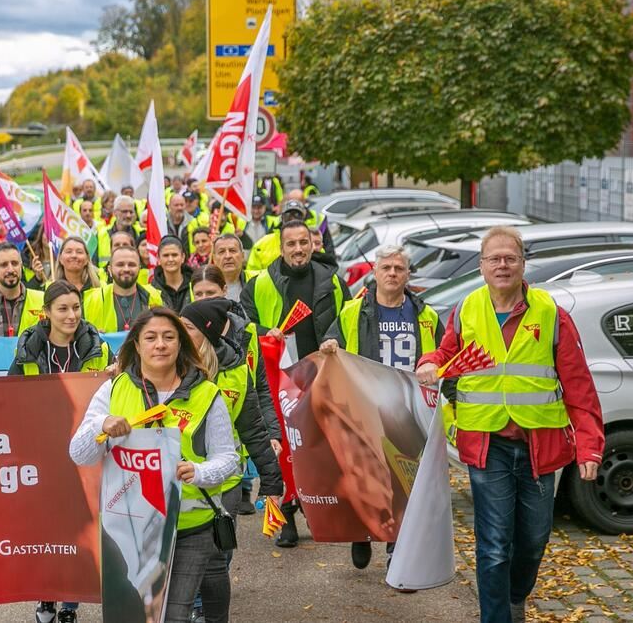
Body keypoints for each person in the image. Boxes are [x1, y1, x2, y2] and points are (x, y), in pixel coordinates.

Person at [415, 226, 604, 623]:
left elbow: (579, 386)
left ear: (522, 264)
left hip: (540, 446)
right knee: (494, 545)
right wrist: (429, 361)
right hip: (487, 445)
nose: (502, 265)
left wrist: (589, 445)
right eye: (494, 258)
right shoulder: (467, 309)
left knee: (533, 541)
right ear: (482, 266)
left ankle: (516, 595)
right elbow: (446, 352)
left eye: (510, 258)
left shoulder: (551, 314)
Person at [69, 308, 238, 623]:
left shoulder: (206, 394)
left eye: (169, 337)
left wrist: (198, 471)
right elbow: (79, 454)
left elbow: (229, 458)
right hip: (131, 530)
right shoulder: (113, 389)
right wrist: (100, 427)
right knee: (136, 616)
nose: (160, 344)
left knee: (174, 614)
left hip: (191, 526)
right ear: (137, 345)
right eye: (151, 337)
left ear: (180, 344)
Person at [321, 244, 444, 571]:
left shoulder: (425, 315)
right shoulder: (352, 311)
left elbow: (444, 355)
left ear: (407, 274)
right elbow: (332, 344)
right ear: (375, 273)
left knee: (403, 481)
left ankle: (396, 548)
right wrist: (330, 345)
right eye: (386, 268)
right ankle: (362, 532)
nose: (392, 273)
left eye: (398, 269)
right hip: (365, 406)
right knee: (367, 478)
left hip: (409, 408)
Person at [242, 220, 350, 548]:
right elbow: (243, 325)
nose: (299, 249)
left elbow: (348, 318)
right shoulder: (259, 284)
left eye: (304, 242)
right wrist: (265, 333)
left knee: (320, 450)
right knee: (285, 451)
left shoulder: (331, 280)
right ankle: (287, 514)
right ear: (281, 247)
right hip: (279, 378)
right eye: (292, 244)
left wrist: (333, 340)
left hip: (322, 376)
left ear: (313, 244)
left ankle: (319, 509)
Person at [10, 280, 112, 623]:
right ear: (47, 313)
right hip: (42, 453)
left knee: (77, 526)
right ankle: (45, 598)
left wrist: (112, 375)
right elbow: (9, 397)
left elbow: (114, 390)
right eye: (63, 309)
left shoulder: (97, 348)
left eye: (76, 308)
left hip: (84, 451)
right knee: (46, 529)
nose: (71, 315)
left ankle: (69, 604)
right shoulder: (28, 349)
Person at [179, 298, 283, 622]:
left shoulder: (238, 371)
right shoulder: (171, 367)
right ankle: (196, 611)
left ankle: (208, 612)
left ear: (208, 335)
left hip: (226, 484)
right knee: (189, 559)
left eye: (188, 329)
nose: (178, 335)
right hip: (180, 483)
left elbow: (253, 428)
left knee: (219, 557)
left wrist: (271, 481)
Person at [190, 266, 283, 517]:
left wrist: (273, 433)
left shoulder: (248, 332)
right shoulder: (184, 336)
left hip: (236, 442)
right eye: (198, 294)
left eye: (210, 292)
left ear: (224, 291)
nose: (205, 300)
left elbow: (259, 387)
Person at [83, 246, 163, 333]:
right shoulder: (91, 300)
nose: (126, 269)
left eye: (132, 265)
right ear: (109, 270)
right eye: (120, 264)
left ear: (139, 269)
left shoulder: (155, 296)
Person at [245, 199, 335, 272]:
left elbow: (325, 271)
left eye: (297, 215)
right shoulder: (263, 244)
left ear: (303, 219)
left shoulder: (313, 245)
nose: (292, 219)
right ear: (282, 218)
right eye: (288, 215)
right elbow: (252, 275)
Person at [150, 236, 193, 312]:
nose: (170, 259)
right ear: (158, 258)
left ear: (183, 257)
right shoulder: (151, 289)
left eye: (174, 255)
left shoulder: (194, 284)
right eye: (166, 255)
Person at [210, 234, 251, 302]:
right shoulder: (202, 286)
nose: (228, 256)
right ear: (214, 259)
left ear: (243, 256)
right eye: (221, 252)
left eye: (232, 250)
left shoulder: (255, 281)